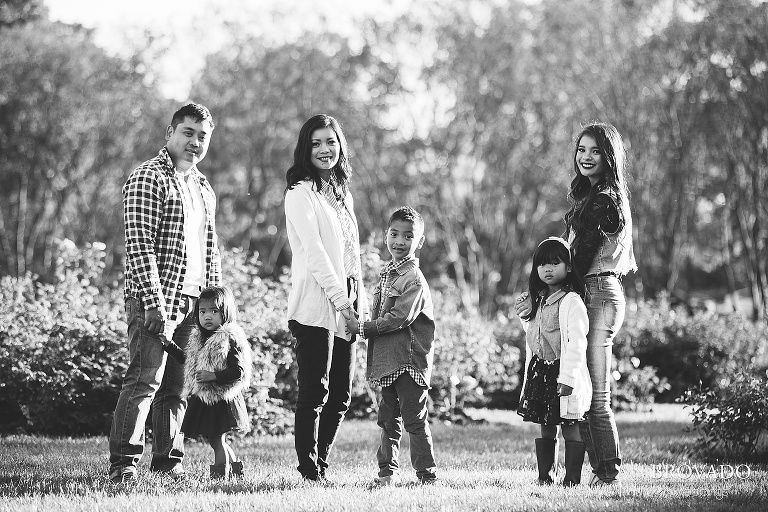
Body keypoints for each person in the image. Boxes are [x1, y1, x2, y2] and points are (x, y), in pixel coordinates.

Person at [109, 103, 221, 484]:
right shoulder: (147, 177)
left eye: (202, 136)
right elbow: (138, 246)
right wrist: (154, 305)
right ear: (170, 133)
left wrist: (216, 304)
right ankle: (124, 465)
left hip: (194, 303)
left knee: (176, 389)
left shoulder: (203, 187)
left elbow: (211, 249)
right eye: (188, 133)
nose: (195, 142)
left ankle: (167, 464)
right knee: (144, 381)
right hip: (155, 299)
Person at [283, 114, 368, 483]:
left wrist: (357, 304)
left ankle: (322, 463)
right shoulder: (299, 194)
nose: (324, 149)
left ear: (340, 146)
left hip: (348, 299)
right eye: (316, 143)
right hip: (316, 304)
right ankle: (309, 470)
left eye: (330, 142)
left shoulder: (342, 193)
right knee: (315, 391)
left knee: (341, 395)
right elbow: (316, 254)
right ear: (306, 148)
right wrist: (342, 303)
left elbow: (353, 255)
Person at [346, 206, 438, 486]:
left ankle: (426, 474)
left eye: (408, 236)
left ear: (418, 242)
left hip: (408, 362)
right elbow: (380, 310)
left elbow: (399, 318)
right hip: (389, 360)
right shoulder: (389, 273)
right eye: (394, 234)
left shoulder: (414, 279)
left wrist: (362, 328)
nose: (399, 241)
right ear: (386, 235)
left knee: (413, 419)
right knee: (387, 419)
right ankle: (387, 472)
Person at [515, 237, 591, 487]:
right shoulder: (538, 299)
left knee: (570, 425)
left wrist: (568, 378)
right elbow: (534, 334)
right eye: (542, 265)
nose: (548, 269)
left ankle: (571, 479)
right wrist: (526, 313)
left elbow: (577, 343)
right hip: (541, 373)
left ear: (568, 267)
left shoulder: (572, 302)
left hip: (563, 374)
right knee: (546, 426)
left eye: (555, 263)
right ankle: (545, 476)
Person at [162, 286, 252, 480]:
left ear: (225, 313)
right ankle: (235, 473)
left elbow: (238, 371)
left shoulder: (227, 337)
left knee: (217, 440)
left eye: (214, 311)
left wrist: (214, 376)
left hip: (220, 397)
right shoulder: (201, 337)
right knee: (216, 440)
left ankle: (220, 478)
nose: (207, 316)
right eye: (202, 312)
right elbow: (189, 360)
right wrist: (169, 346)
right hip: (206, 396)